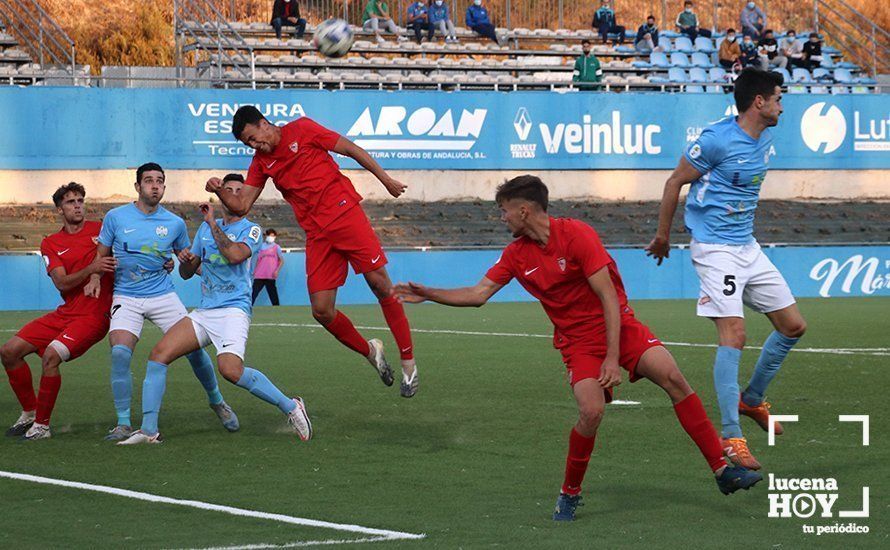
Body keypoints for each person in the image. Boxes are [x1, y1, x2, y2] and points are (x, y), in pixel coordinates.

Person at [394, 176, 762, 522]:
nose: (502, 218)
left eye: (504, 210)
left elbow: (608, 298)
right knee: (591, 412)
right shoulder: (516, 255)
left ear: (524, 210)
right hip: (578, 343)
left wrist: (613, 359)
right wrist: (429, 294)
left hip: (619, 326)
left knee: (673, 377)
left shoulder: (577, 235)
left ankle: (721, 470)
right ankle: (569, 492)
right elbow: (478, 295)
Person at [646, 68, 807, 471]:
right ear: (759, 102)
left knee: (792, 327)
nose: (782, 106)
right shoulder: (716, 140)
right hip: (715, 250)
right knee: (733, 335)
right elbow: (673, 183)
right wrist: (664, 236)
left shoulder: (766, 138)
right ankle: (732, 437)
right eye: (778, 98)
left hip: (746, 246)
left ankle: (750, 400)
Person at [210, 106, 419, 399]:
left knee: (380, 284)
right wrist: (221, 191)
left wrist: (385, 179)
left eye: (253, 138)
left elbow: (351, 149)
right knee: (321, 311)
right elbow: (242, 205)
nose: (254, 146)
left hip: (345, 214)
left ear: (264, 123)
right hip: (317, 234)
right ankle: (370, 351)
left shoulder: (303, 129)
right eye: (248, 144)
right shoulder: (261, 163)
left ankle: (408, 361)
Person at [118, 181, 311, 445]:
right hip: (205, 311)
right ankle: (149, 431)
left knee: (231, 371)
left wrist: (211, 224)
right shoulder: (203, 233)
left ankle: (291, 406)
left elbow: (234, 255)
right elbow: (187, 274)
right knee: (158, 355)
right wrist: (184, 262)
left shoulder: (251, 230)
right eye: (228, 189)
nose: (233, 194)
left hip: (233, 310)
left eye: (238, 191)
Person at [92, 162, 239, 442]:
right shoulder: (115, 217)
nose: (155, 185)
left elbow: (185, 259)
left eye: (159, 181)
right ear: (137, 187)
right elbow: (101, 254)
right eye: (148, 181)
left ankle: (217, 400)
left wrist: (201, 269)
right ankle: (123, 422)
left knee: (194, 351)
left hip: (162, 295)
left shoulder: (174, 223)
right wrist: (95, 277)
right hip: (127, 296)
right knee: (121, 353)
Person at [1, 183, 117, 441]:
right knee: (9, 351)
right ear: (59, 210)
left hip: (94, 316)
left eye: (80, 200)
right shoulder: (51, 243)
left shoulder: (102, 230)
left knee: (51, 356)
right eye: (70, 202)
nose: (77, 205)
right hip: (65, 313)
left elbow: (126, 254)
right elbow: (62, 283)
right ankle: (29, 413)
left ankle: (42, 426)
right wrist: (91, 269)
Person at [253, 227, 285, 306]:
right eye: (270, 235)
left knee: (273, 294)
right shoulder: (261, 247)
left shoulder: (276, 247)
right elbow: (258, 260)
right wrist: (254, 270)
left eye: (273, 236)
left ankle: (277, 311)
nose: (272, 237)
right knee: (253, 293)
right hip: (260, 274)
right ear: (266, 236)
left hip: (270, 274)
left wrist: (277, 270)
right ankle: (247, 308)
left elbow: (281, 260)